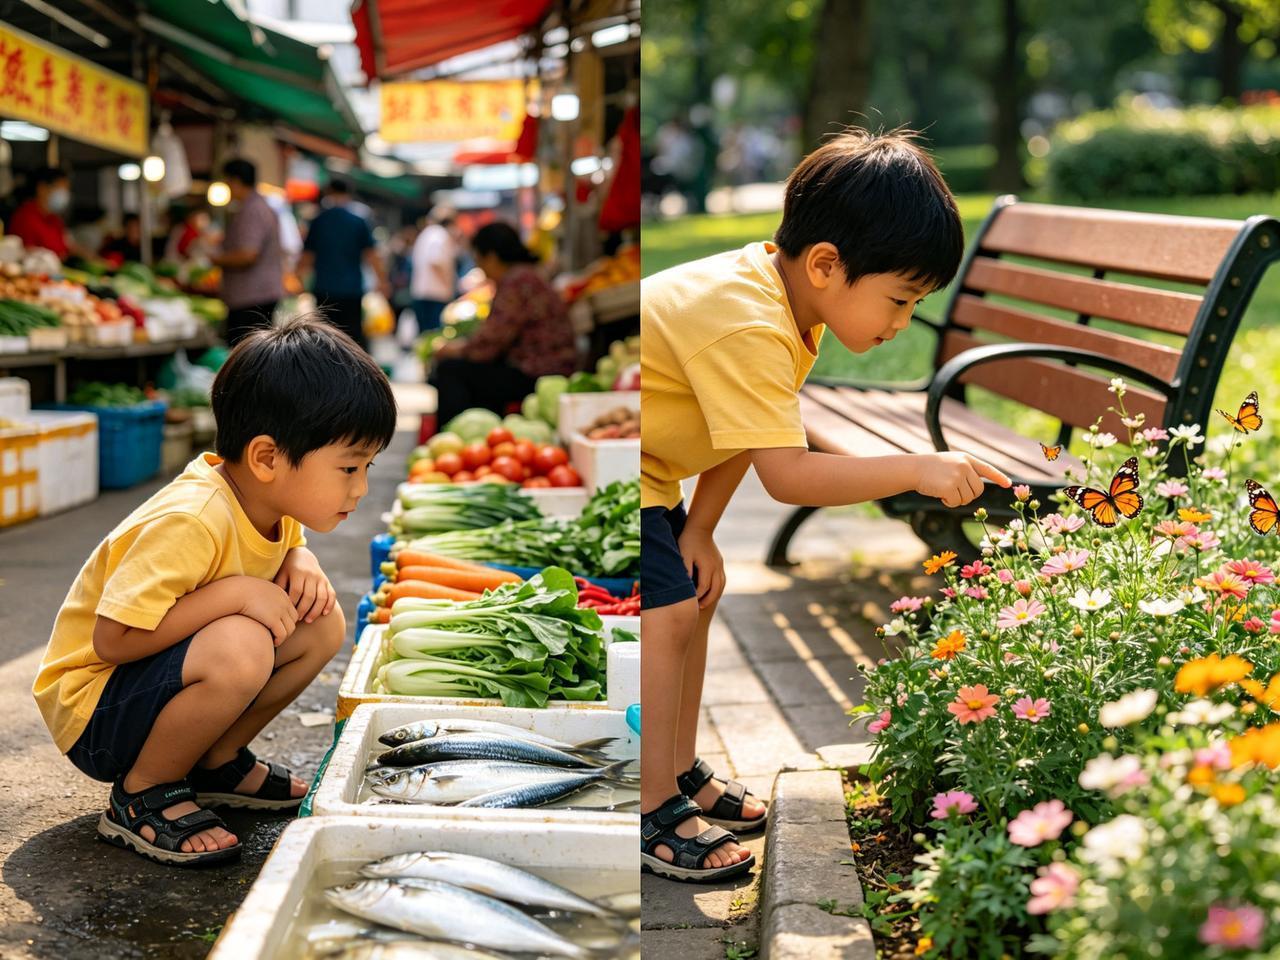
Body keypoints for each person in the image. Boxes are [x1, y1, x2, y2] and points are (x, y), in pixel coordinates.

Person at [639, 129, 1012, 883]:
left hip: (655, 473)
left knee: (698, 595)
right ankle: (647, 809)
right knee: (668, 614)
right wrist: (918, 469)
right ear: (826, 265)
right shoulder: (748, 321)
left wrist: (704, 528)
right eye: (899, 299)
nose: (902, 321)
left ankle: (676, 771)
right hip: (630, 476)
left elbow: (740, 428)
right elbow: (787, 474)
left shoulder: (780, 301)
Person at [31, 316, 396, 866]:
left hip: (145, 688)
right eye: (348, 467)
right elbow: (114, 638)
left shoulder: (266, 500)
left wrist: (299, 556)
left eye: (368, 466)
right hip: (95, 712)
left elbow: (281, 544)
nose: (361, 487)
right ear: (267, 458)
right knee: (241, 643)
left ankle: (215, 761)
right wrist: (237, 595)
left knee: (318, 620)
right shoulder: (193, 518)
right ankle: (144, 792)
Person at [430, 222, 577, 427]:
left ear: (491, 256)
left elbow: (491, 342)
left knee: (449, 370)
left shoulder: (517, 281)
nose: (479, 266)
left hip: (537, 373)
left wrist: (452, 350)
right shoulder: (526, 275)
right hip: (540, 369)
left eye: (478, 259)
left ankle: (451, 435)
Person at [297, 179, 388, 351]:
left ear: (329, 192)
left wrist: (297, 279)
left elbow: (307, 257)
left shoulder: (319, 221)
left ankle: (327, 373)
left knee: (325, 338)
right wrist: (382, 281)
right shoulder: (358, 221)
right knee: (351, 337)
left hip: (324, 288)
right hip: (351, 288)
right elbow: (372, 255)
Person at [213, 159, 285, 345]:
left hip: (251, 297)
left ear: (235, 181)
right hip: (259, 294)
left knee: (248, 357)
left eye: (227, 182)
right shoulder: (261, 206)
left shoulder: (252, 210)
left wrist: (215, 259)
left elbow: (248, 255)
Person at [9, 167, 88, 259]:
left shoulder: (55, 220)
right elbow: (25, 253)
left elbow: (66, 248)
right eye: (60, 188)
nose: (65, 195)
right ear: (42, 188)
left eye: (67, 189)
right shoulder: (25, 217)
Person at [410, 206, 459, 334]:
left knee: (424, 336)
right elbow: (435, 261)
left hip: (421, 292)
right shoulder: (440, 234)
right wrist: (450, 284)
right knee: (434, 336)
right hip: (436, 294)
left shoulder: (425, 234)